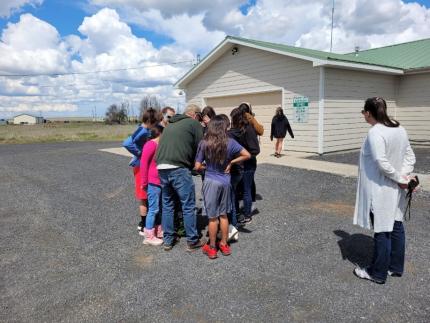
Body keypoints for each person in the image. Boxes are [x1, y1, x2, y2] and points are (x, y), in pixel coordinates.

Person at [353, 97, 416, 284]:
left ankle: (377, 273)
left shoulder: (375, 132)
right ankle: (395, 267)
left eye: (363, 112)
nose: (363, 115)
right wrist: (403, 177)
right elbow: (410, 157)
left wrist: (400, 178)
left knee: (382, 230)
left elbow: (381, 163)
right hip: (395, 188)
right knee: (396, 226)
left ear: (369, 113)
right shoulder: (399, 128)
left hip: (380, 189)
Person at [195, 115, 250, 259]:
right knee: (224, 214)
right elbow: (247, 155)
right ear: (224, 127)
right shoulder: (230, 142)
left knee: (213, 218)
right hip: (226, 181)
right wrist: (231, 162)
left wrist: (207, 167)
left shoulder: (204, 142)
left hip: (211, 181)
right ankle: (224, 244)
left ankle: (212, 247)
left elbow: (197, 166)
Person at [156, 104, 204, 251]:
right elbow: (201, 146)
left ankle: (168, 241)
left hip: (162, 167)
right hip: (178, 168)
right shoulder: (193, 123)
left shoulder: (171, 124)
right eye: (199, 117)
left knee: (168, 205)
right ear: (195, 115)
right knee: (188, 205)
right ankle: (192, 240)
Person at [122, 108, 160, 235]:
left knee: (147, 196)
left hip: (144, 165)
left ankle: (145, 223)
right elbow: (127, 143)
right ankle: (143, 225)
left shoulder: (145, 129)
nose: (156, 126)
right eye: (155, 123)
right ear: (150, 121)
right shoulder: (143, 130)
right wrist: (141, 153)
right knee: (144, 196)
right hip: (140, 166)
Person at [229, 107, 260, 224]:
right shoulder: (234, 131)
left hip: (247, 165)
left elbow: (255, 150)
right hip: (239, 165)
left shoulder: (246, 130)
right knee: (240, 190)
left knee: (245, 189)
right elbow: (256, 149)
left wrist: (242, 158)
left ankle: (246, 215)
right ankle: (240, 214)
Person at [140, 124, 164, 246]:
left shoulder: (160, 145)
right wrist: (143, 182)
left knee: (159, 208)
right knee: (153, 209)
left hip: (160, 181)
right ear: (159, 133)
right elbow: (143, 164)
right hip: (153, 182)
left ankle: (158, 230)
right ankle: (149, 236)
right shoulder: (150, 145)